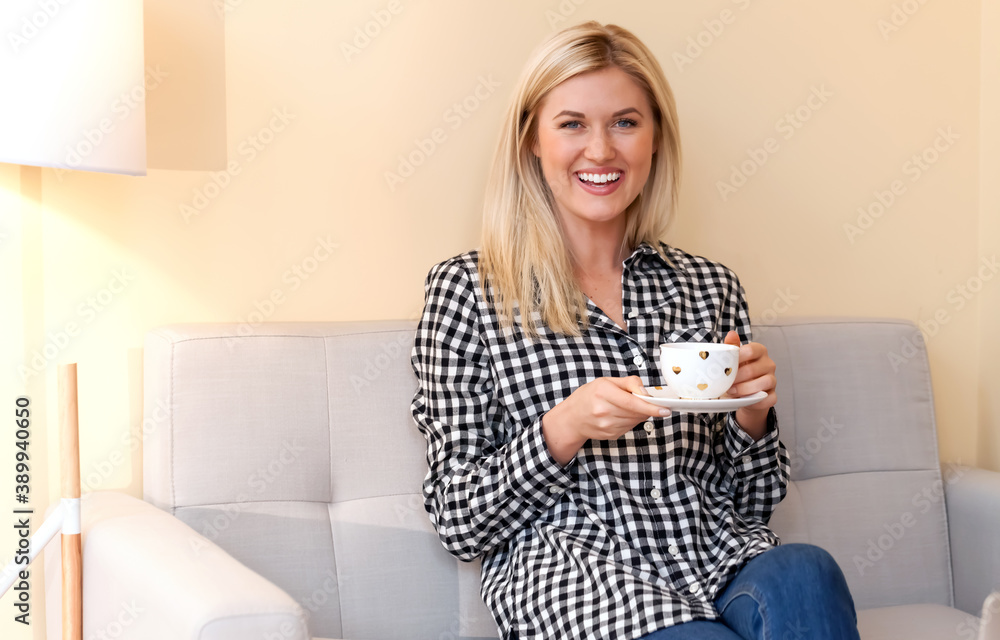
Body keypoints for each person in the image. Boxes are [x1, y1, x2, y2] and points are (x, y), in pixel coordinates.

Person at [410, 20, 860, 640]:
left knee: (808, 571)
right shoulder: (468, 292)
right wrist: (561, 429)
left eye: (625, 122)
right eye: (572, 124)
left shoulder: (710, 285)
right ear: (531, 141)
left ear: (655, 139)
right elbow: (459, 522)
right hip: (580, 583)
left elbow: (754, 504)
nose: (601, 150)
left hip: (718, 559)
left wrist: (751, 416)